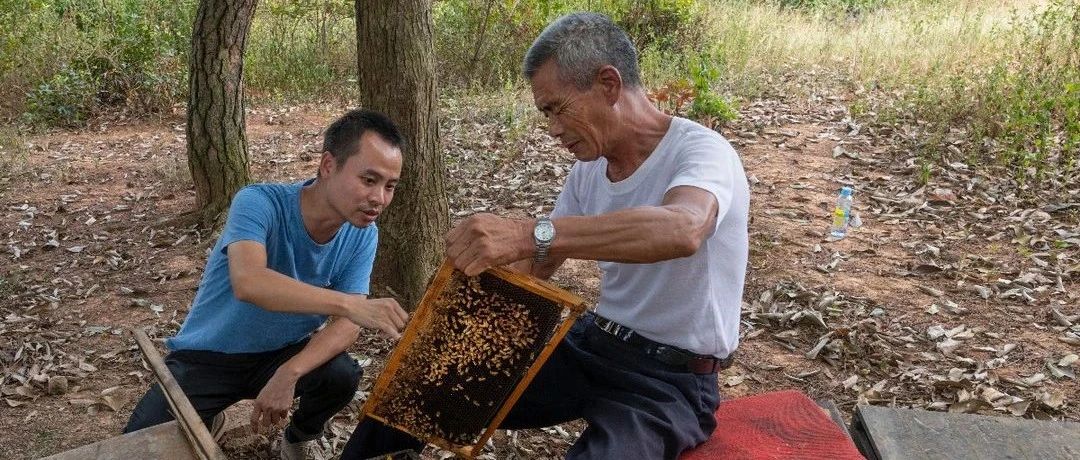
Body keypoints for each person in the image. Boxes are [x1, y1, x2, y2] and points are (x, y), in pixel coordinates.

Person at [342, 12, 749, 460]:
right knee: (418, 388)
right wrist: (450, 323)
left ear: (608, 84)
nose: (553, 128)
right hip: (591, 345)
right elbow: (535, 265)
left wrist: (526, 233)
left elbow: (683, 227)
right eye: (546, 113)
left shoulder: (701, 152)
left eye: (557, 108)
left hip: (669, 380)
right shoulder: (588, 171)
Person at [124, 109, 411, 460]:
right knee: (136, 448)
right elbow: (250, 282)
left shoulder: (362, 235)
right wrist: (348, 304)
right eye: (369, 180)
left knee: (341, 375)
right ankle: (207, 418)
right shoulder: (259, 202)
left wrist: (290, 371)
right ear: (328, 166)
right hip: (208, 357)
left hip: (281, 353)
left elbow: (348, 327)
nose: (379, 198)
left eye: (390, 186)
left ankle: (300, 437)